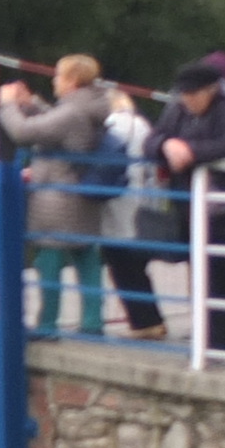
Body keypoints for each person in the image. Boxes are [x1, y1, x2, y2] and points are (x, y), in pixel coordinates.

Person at [147, 57, 225, 356]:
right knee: (205, 277)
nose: (188, 100)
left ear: (212, 89)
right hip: (195, 210)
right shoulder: (178, 108)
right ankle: (212, 341)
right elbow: (152, 140)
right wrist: (165, 146)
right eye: (184, 94)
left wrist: (190, 151)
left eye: (194, 94)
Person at [0, 55, 114, 340]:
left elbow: (24, 132)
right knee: (86, 256)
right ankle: (93, 321)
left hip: (56, 196)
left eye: (58, 76)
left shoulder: (72, 112)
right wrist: (33, 103)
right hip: (80, 193)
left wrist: (7, 105)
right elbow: (56, 124)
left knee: (48, 259)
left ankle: (47, 324)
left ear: (72, 81)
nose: (54, 81)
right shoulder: (89, 105)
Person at [101, 82, 166, 340]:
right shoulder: (142, 124)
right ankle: (150, 319)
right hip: (143, 196)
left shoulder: (109, 124)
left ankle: (143, 321)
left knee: (120, 263)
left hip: (117, 198)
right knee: (137, 263)